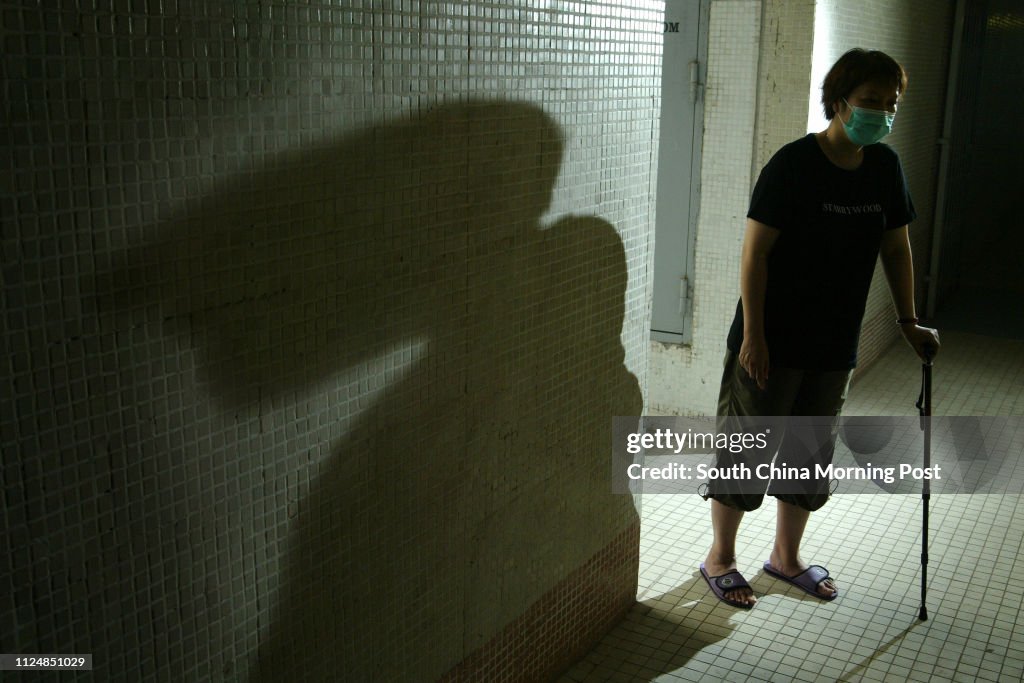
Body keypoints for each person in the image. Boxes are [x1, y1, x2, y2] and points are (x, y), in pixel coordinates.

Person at [699, 48, 941, 608]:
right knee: (746, 451)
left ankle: (785, 559)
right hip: (772, 340)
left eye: (890, 103)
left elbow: (896, 246)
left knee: (809, 456)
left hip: (834, 342)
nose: (881, 113)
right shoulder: (793, 165)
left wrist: (908, 320)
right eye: (869, 102)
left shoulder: (884, 167)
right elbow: (754, 255)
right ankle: (720, 558)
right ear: (838, 102)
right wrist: (754, 336)